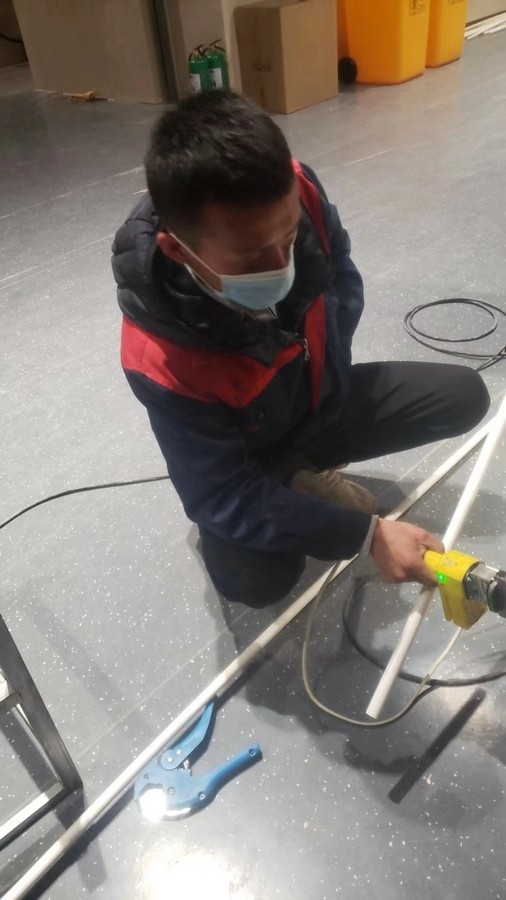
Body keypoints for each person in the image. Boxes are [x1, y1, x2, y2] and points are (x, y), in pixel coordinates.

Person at [112, 90, 490, 606]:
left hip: (316, 403)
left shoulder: (298, 189)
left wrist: (327, 369)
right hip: (249, 455)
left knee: (463, 395)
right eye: (252, 258)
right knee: (254, 580)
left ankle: (299, 472)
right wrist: (367, 535)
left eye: (289, 239)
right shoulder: (161, 358)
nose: (281, 267)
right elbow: (220, 494)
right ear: (178, 250)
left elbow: (341, 276)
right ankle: (285, 477)